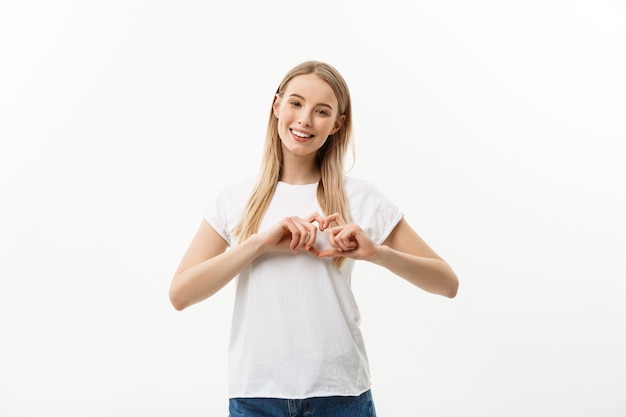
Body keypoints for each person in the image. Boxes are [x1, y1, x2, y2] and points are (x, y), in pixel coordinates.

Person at [169, 60, 459, 417]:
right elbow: (180, 294)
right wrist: (257, 243)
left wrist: (377, 253)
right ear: (276, 106)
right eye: (296, 103)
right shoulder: (234, 198)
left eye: (321, 111)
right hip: (257, 396)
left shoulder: (361, 198)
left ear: (337, 124)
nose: (305, 119)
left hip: (341, 396)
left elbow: (447, 283)